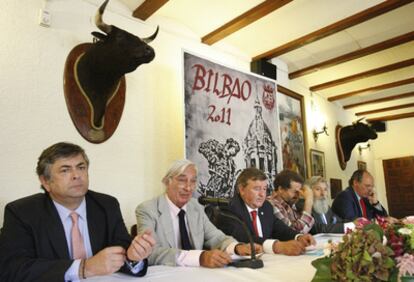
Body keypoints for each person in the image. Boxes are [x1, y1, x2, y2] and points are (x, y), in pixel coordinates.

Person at [0, 142, 155, 282]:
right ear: (45, 181)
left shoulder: (106, 205)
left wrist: (133, 257)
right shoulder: (22, 213)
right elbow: (13, 270)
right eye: (65, 170)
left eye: (81, 168)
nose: (76, 175)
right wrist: (84, 268)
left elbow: (123, 250)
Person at [135, 160, 260, 267]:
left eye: (193, 181)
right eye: (182, 180)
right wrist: (199, 257)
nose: (188, 188)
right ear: (167, 182)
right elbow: (150, 253)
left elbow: (216, 237)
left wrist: (237, 247)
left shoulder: (196, 207)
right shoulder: (147, 210)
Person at [217, 167, 315, 256]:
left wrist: (298, 237)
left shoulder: (266, 207)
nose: (262, 194)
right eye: (257, 189)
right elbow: (245, 238)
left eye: (264, 189)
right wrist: (278, 246)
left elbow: (280, 229)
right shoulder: (229, 209)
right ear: (242, 189)